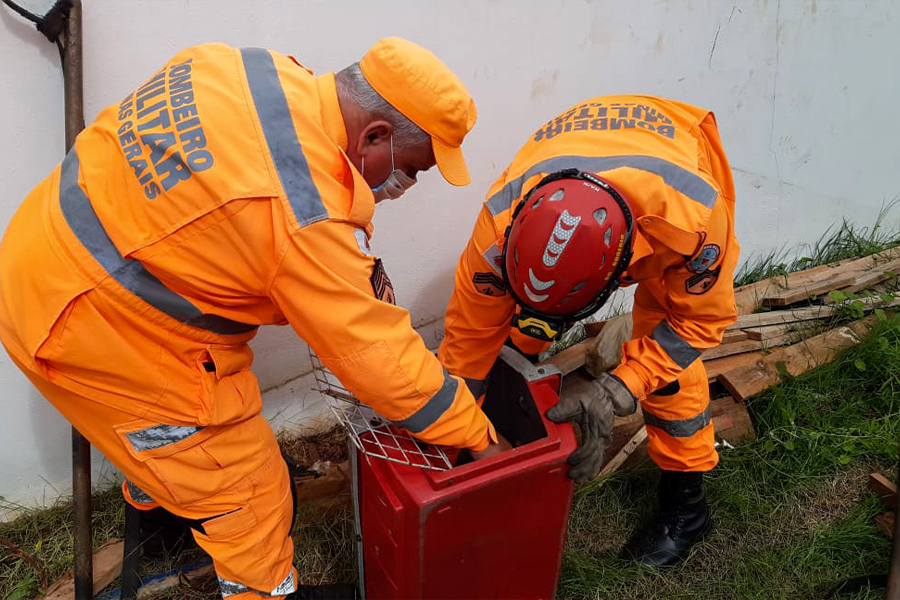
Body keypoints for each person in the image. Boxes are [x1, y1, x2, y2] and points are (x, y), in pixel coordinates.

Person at [0, 37, 507, 599]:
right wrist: (478, 437)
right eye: (411, 169)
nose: (404, 187)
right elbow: (378, 358)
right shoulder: (303, 207)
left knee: (181, 447)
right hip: (91, 329)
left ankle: (165, 515)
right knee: (252, 492)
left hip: (42, 257)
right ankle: (261, 589)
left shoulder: (244, 68)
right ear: (376, 136)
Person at [438, 95, 739, 567]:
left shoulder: (694, 222)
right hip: (593, 162)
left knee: (665, 361)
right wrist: (455, 438)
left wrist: (620, 387)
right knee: (508, 341)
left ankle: (687, 504)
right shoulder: (497, 228)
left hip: (673, 174)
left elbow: (699, 322)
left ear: (619, 274)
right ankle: (501, 434)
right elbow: (467, 344)